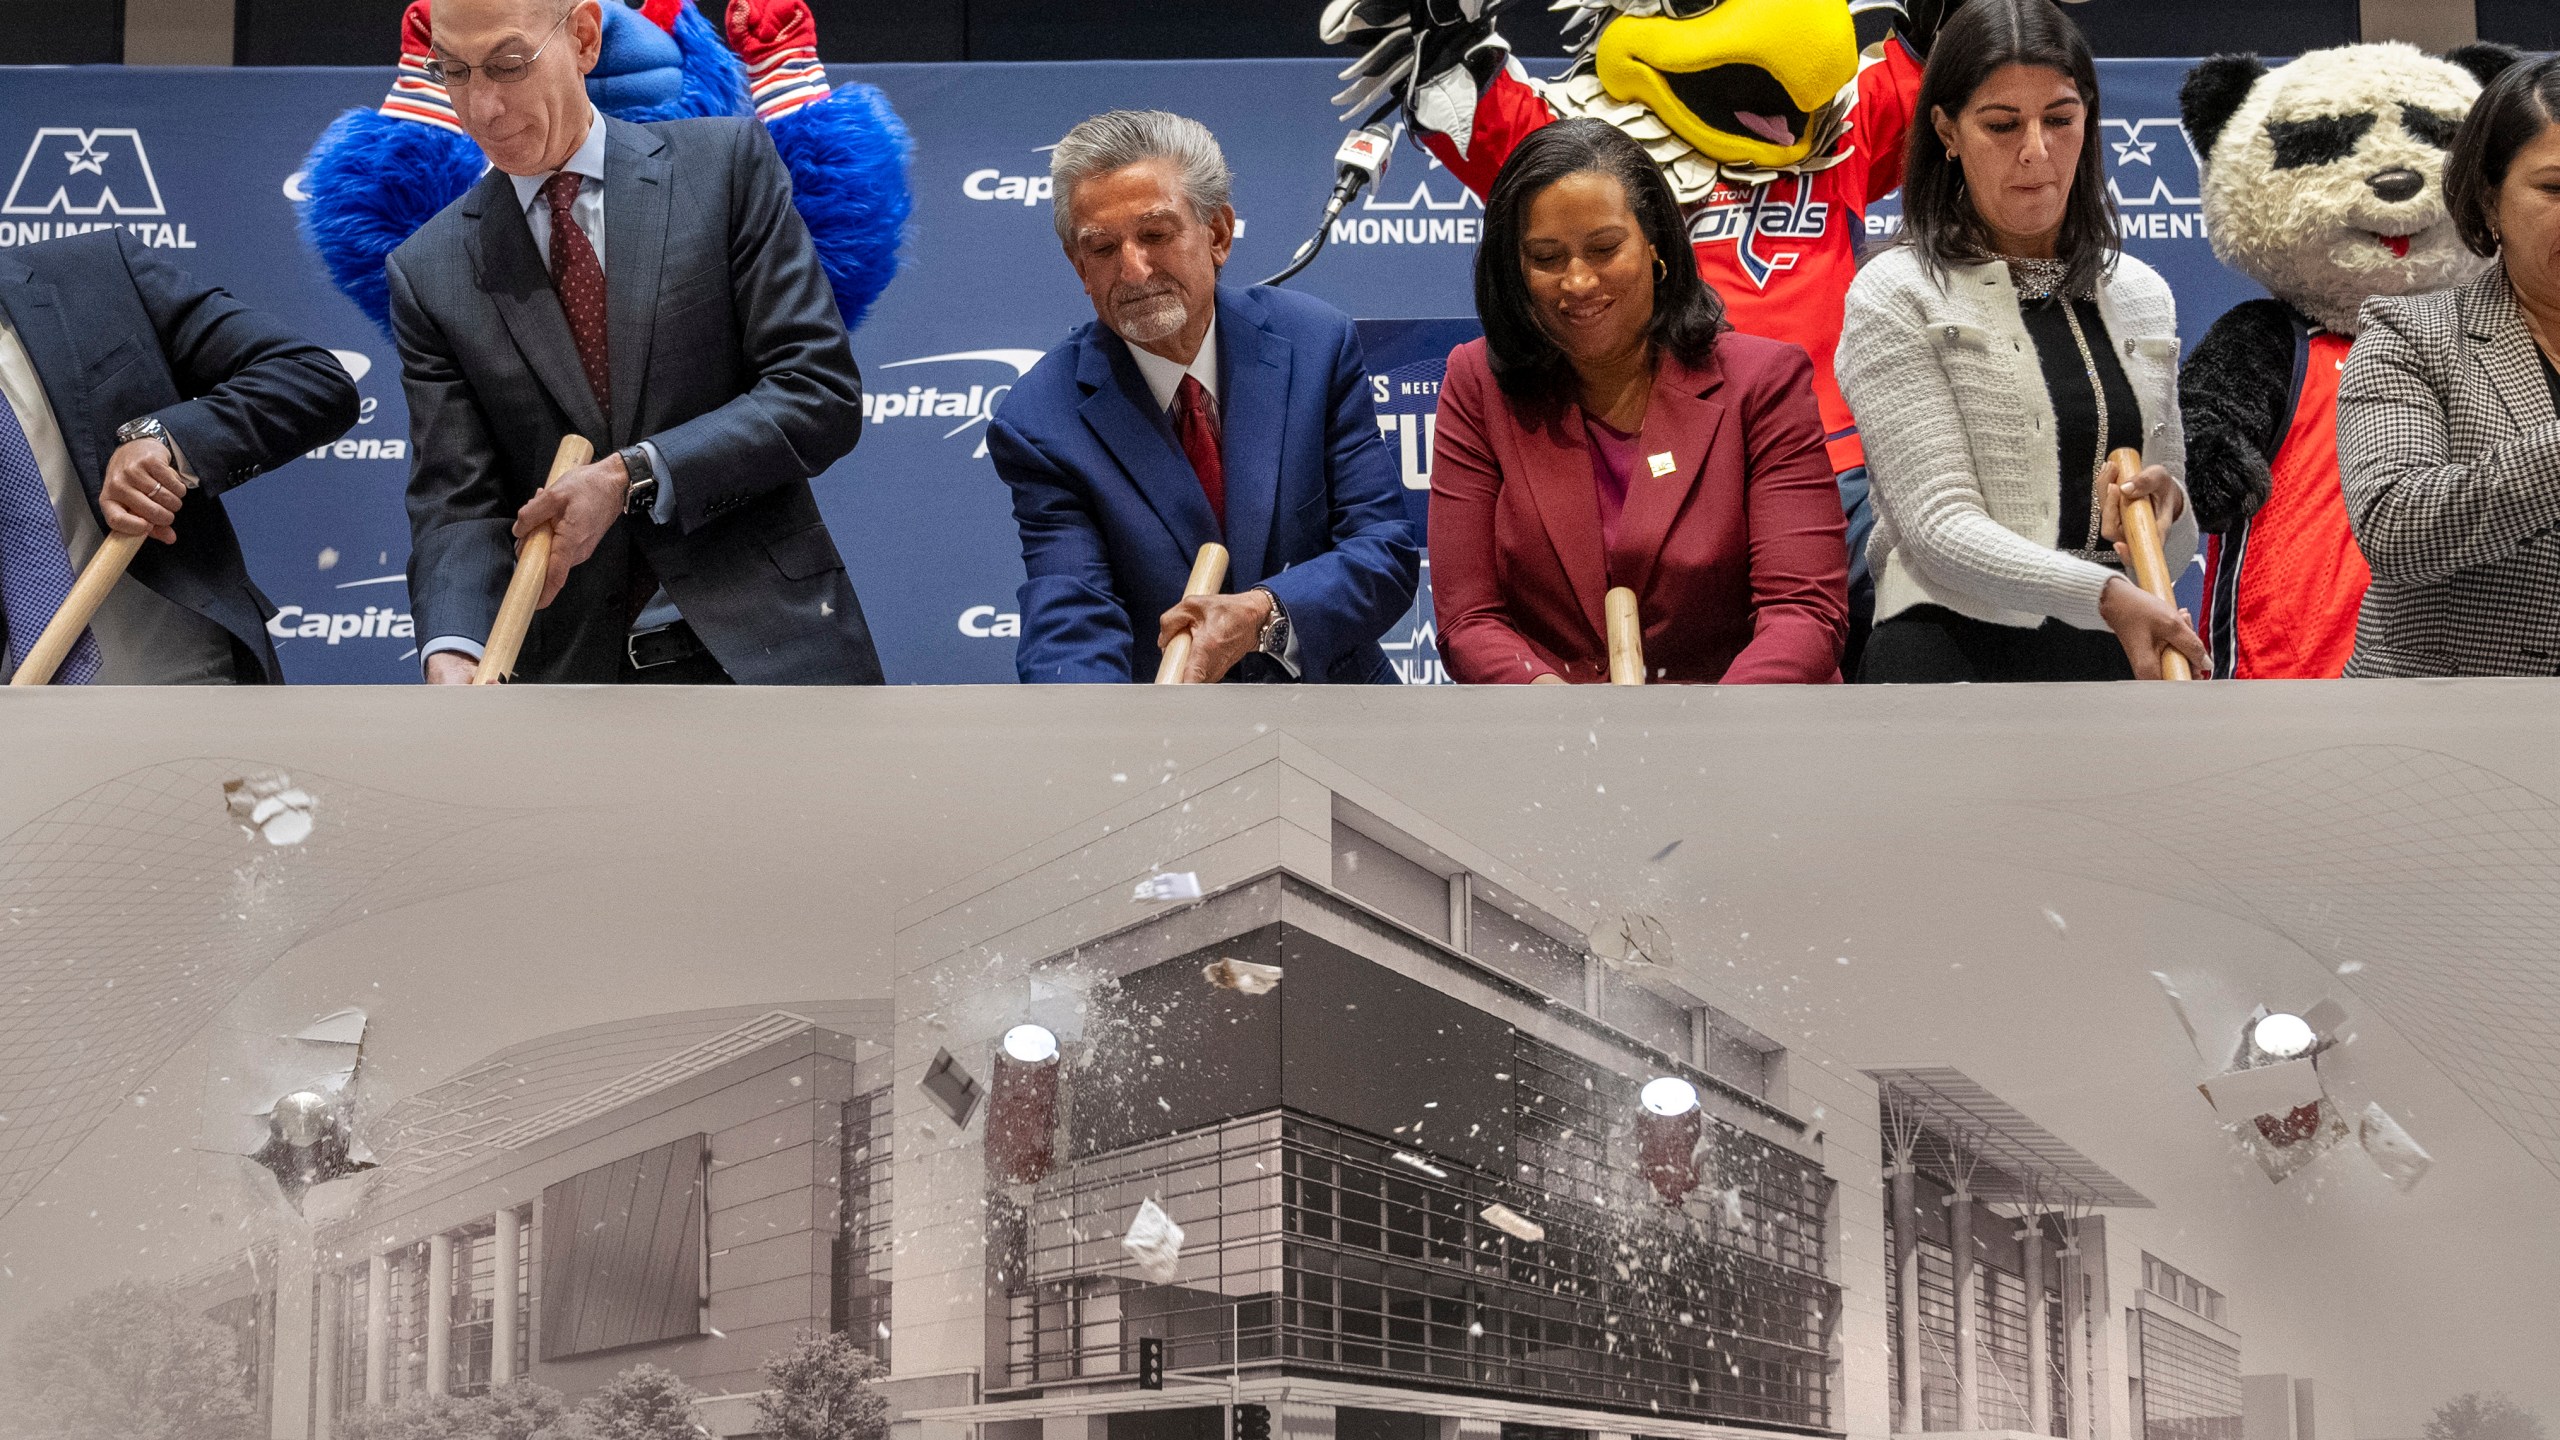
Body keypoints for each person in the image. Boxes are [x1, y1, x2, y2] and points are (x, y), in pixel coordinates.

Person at [393, 0, 877, 685]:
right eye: (454, 72)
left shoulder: (724, 170)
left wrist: (631, 477)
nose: (483, 108)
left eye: (508, 64)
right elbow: (457, 503)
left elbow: (816, 396)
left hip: (772, 656)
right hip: (572, 684)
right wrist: (454, 645)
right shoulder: (428, 269)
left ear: (585, 38)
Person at [1836, 0, 2208, 683]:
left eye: (2060, 119)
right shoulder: (1896, 291)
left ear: (2089, 120)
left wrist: (2169, 511)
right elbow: (1938, 528)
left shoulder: (2143, 292)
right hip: (1949, 667)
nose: (2035, 150)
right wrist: (2102, 595)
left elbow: (2175, 549)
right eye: (2001, 124)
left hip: (2118, 657)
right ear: (1946, 129)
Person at [986, 110, 1419, 684]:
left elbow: (1382, 552)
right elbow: (1071, 613)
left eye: (1155, 235)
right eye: (1103, 248)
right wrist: (1092, 739)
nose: (1134, 272)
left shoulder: (1317, 345)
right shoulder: (1040, 421)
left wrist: (1262, 614)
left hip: (1333, 707)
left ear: (1217, 234)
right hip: (1164, 735)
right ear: (1079, 266)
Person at [1428, 118, 1850, 685]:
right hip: (1553, 744)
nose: (1577, 281)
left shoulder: (1763, 381)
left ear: (1655, 245)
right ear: (1515, 269)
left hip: (1744, 738)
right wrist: (1556, 714)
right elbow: (1469, 619)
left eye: (1604, 249)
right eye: (1547, 257)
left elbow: (1804, 613)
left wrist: (1702, 741)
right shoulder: (1477, 382)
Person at [0, 231, 357, 684]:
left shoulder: (95, 272)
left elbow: (309, 379)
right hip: (15, 733)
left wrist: (166, 440)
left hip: (189, 691)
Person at [2336, 55, 2560, 677]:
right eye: (2555, 188)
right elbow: (2395, 527)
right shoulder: (2411, 334)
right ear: (2491, 200)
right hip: (2443, 732)